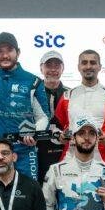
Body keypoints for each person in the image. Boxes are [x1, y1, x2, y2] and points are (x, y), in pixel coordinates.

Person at [0, 32, 50, 180]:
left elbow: (43, 117)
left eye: (9, 50)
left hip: (24, 151)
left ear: (18, 52)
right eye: (0, 51)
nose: (5, 55)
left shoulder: (33, 81)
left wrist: (35, 133)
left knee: (27, 192)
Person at [52, 50, 105, 162]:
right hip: (70, 159)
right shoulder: (67, 96)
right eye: (84, 63)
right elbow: (53, 126)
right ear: (78, 67)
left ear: (99, 67)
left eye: (93, 62)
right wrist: (59, 137)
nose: (88, 66)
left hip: (101, 160)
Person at [35, 49, 68, 186]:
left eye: (57, 66)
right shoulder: (32, 93)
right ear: (41, 68)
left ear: (62, 68)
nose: (53, 70)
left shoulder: (71, 94)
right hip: (39, 150)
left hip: (64, 150)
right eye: (49, 65)